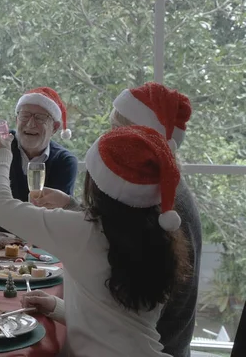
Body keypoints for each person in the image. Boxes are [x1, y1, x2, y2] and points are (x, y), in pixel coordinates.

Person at [0, 124, 190, 357]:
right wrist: (57, 308)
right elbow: (118, 320)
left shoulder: (83, 231)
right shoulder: (158, 234)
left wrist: (0, 155)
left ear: (96, 183)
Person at [31, 82, 200, 357]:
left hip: (157, 346)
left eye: (116, 129)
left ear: (141, 138)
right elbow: (116, 237)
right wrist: (72, 205)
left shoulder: (165, 202)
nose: (109, 138)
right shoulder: (161, 190)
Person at [0, 85, 77, 227]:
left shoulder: (64, 162)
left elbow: (51, 222)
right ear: (16, 120)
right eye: (25, 115)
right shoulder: (2, 142)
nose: (31, 123)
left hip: (33, 246)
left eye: (40, 118)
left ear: (55, 128)